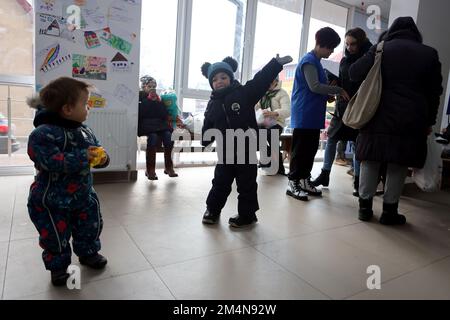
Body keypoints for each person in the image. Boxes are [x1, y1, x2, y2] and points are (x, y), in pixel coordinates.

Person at [349, 17, 443, 225]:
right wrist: (429, 122)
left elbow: (353, 73)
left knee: (370, 160)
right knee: (398, 163)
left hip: (376, 115)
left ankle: (364, 209)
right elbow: (435, 93)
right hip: (411, 119)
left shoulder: (381, 49)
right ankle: (389, 212)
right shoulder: (429, 54)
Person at [27, 77, 109, 286]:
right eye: (85, 103)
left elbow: (95, 149)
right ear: (67, 109)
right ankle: (59, 266)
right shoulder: (42, 133)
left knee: (90, 225)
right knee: (55, 235)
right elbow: (49, 160)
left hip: (83, 195)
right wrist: (83, 157)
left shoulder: (84, 130)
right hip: (52, 200)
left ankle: (88, 252)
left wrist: (101, 158)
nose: (88, 106)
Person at [201, 55, 292, 228]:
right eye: (214, 79)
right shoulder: (212, 104)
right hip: (226, 152)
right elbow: (209, 122)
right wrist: (206, 139)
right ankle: (212, 209)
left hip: (246, 149)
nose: (219, 81)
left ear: (231, 78)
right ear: (211, 83)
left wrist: (275, 64)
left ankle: (247, 214)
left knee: (247, 184)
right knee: (220, 182)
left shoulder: (244, 93)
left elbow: (260, 80)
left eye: (223, 77)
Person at [287, 27, 350, 202]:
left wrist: (328, 94)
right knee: (300, 151)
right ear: (322, 44)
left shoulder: (317, 62)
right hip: (304, 114)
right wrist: (338, 90)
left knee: (310, 149)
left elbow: (317, 89)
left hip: (313, 114)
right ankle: (292, 182)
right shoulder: (308, 61)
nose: (331, 52)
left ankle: (304, 180)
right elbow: (314, 86)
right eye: (330, 48)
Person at [312, 27, 373, 197]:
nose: (349, 47)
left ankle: (357, 181)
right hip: (342, 107)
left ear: (361, 43)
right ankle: (325, 174)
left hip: (359, 108)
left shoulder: (368, 60)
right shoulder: (345, 61)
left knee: (357, 144)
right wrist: (335, 82)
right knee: (331, 139)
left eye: (353, 44)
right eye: (347, 44)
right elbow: (345, 81)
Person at [138, 76, 178, 180]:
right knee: (153, 138)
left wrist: (157, 102)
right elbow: (142, 114)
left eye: (154, 86)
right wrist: (149, 101)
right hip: (147, 125)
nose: (152, 88)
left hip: (160, 125)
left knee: (169, 136)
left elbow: (163, 114)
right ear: (144, 87)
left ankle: (168, 167)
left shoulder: (159, 99)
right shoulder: (141, 99)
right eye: (149, 86)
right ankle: (150, 169)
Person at [255, 75, 291, 175]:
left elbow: (287, 111)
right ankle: (267, 161)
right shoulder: (262, 93)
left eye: (270, 82)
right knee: (253, 134)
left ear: (276, 81)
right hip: (262, 122)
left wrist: (273, 113)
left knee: (271, 135)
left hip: (277, 123)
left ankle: (277, 167)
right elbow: (255, 107)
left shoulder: (282, 93)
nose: (268, 84)